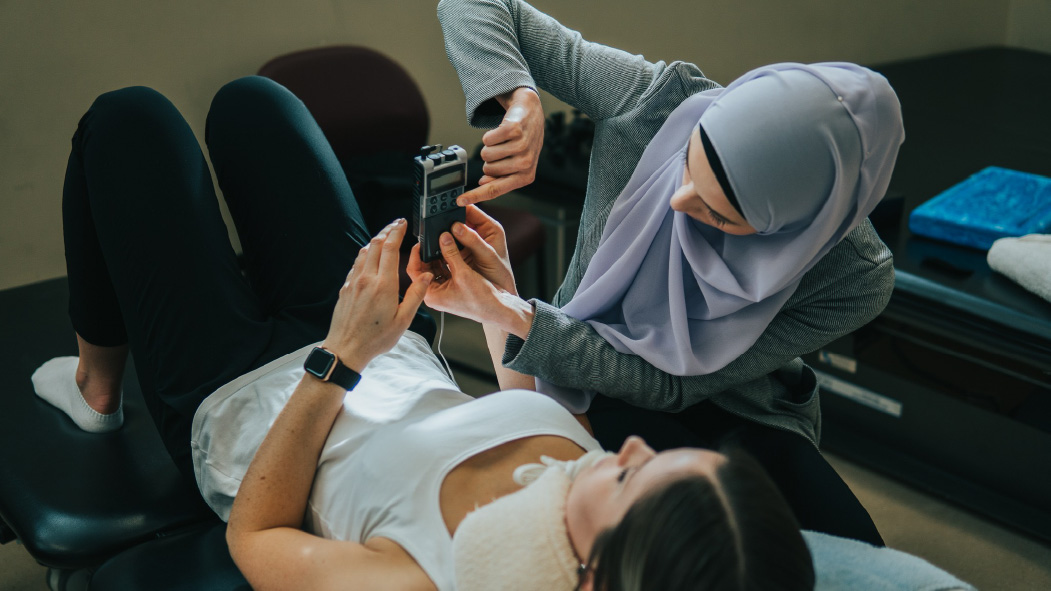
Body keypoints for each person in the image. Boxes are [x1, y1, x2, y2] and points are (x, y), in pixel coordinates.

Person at [31, 77, 816, 590]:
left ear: (593, 578)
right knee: (255, 107)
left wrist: (339, 358)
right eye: (662, 456)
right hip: (387, 341)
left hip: (253, 401)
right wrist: (497, 305)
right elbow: (543, 418)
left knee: (127, 123)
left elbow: (255, 534)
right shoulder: (589, 494)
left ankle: (97, 387)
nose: (630, 449)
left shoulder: (431, 578)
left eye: (626, 477)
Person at [431, 0, 905, 546]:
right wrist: (520, 97)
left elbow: (668, 386)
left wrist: (512, 312)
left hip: (737, 407)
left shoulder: (855, 280)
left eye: (718, 214)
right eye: (686, 162)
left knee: (853, 549)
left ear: (791, 231)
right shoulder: (654, 103)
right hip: (588, 373)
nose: (677, 203)